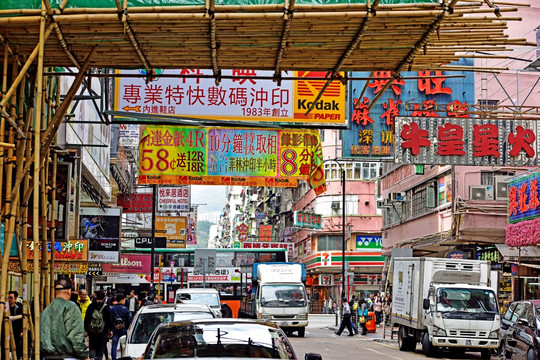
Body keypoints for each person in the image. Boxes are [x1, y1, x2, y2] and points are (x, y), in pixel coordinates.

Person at [40, 278, 90, 360]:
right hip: (67, 356)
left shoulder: (45, 311)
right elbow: (75, 336)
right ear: (69, 291)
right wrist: (84, 355)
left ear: (53, 292)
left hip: (47, 356)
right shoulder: (71, 307)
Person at [84, 289, 112, 360]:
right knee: (101, 348)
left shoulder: (91, 306)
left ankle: (92, 357)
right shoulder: (106, 307)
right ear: (104, 298)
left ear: (96, 297)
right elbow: (109, 319)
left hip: (92, 331)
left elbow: (87, 318)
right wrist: (110, 330)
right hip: (103, 331)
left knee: (92, 346)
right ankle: (99, 358)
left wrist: (86, 330)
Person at [110, 294, 132, 360]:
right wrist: (128, 327)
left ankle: (113, 358)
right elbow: (128, 320)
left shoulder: (112, 309)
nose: (125, 301)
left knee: (114, 345)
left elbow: (110, 319)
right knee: (124, 345)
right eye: (124, 300)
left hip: (115, 329)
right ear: (122, 300)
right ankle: (123, 357)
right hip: (124, 329)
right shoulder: (125, 309)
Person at [8, 290, 23, 359]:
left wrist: (21, 331)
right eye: (8, 298)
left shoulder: (18, 307)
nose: (9, 299)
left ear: (15, 298)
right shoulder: (5, 308)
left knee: (16, 347)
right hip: (6, 332)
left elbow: (21, 320)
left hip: (16, 332)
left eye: (11, 297)